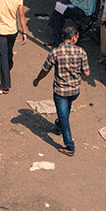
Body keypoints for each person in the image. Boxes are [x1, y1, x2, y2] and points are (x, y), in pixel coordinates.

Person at [33, 25, 90, 157]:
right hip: (75, 90)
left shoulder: (55, 52)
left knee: (64, 117)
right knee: (65, 110)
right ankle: (59, 127)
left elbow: (45, 70)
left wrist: (37, 80)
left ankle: (70, 146)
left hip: (60, 90)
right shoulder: (81, 52)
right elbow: (86, 73)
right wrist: (77, 70)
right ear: (74, 37)